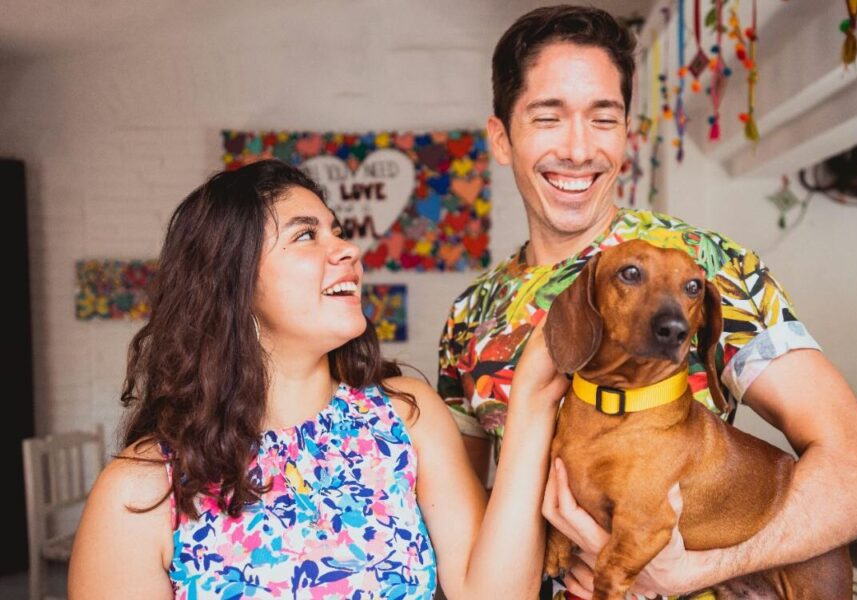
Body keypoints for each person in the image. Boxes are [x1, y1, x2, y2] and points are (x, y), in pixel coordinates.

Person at [437, 5, 857, 598]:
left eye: (603, 119)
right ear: (503, 138)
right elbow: (467, 525)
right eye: (548, 118)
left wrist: (699, 570)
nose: (578, 149)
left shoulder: (713, 268)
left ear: (625, 136)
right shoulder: (471, 315)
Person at [68, 160, 568, 599]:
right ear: (234, 283)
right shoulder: (141, 491)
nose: (348, 249)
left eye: (337, 230)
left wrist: (531, 399)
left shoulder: (405, 418)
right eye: (306, 235)